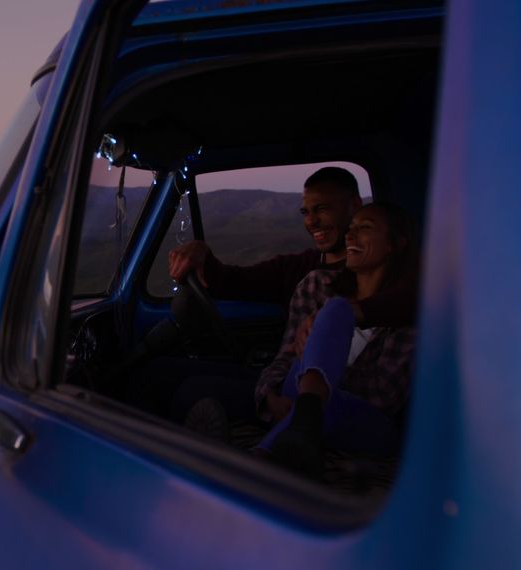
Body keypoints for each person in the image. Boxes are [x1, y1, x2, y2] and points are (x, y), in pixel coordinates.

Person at [250, 202, 419, 478]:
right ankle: (267, 457)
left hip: (366, 422)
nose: (349, 236)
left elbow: (383, 398)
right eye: (350, 229)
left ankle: (279, 439)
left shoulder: (409, 313)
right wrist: (268, 395)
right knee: (336, 309)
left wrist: (317, 378)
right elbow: (285, 357)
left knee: (338, 312)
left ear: (396, 243)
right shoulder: (319, 288)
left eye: (364, 229)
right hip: (301, 397)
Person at [167, 166, 415, 328]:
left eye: (322, 209)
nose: (311, 221)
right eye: (305, 212)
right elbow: (233, 280)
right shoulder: (299, 269)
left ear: (354, 205)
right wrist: (200, 251)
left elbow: (417, 300)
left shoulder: (387, 269)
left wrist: (350, 315)